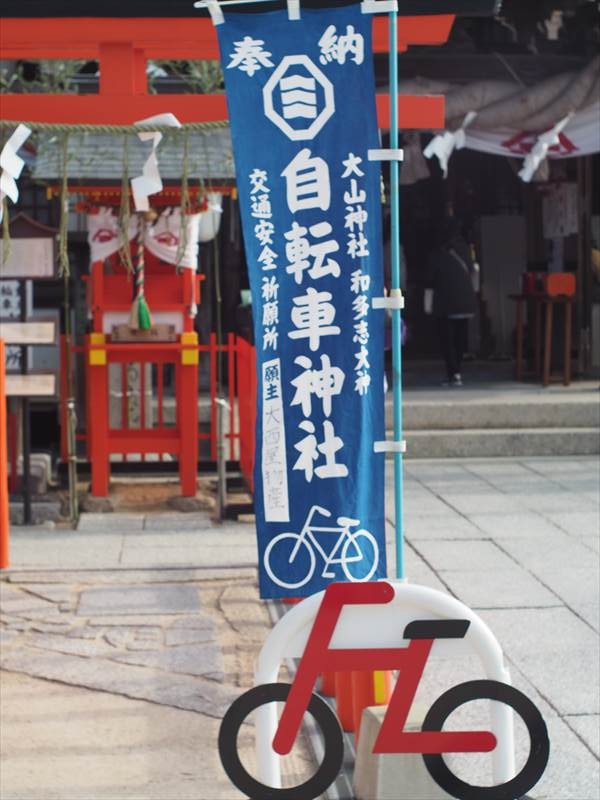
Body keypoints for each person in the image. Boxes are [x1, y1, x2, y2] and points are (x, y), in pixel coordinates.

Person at [424, 219, 478, 387]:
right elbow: (474, 271)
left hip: (445, 303)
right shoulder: (466, 250)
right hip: (465, 301)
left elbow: (430, 281)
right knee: (460, 338)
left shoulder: (438, 253)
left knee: (448, 340)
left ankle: (453, 373)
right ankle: (458, 371)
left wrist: (427, 305)